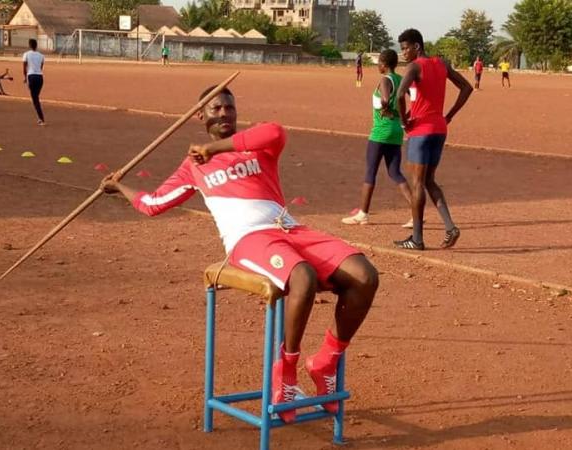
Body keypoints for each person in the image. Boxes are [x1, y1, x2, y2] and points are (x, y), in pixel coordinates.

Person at [100, 86, 379, 424]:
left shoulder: (256, 144)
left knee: (365, 275)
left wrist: (212, 148)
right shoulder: (192, 168)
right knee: (301, 278)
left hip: (288, 229)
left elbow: (275, 131)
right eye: (216, 109)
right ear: (200, 116)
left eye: (229, 108)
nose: (224, 114)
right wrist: (120, 188)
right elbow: (152, 205)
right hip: (248, 240)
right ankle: (286, 373)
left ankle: (325, 361)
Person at [393, 28, 473, 250]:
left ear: (417, 46)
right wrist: (449, 115)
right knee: (429, 181)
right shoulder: (442, 64)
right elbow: (466, 87)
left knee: (417, 183)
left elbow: (400, 94)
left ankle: (417, 238)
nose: (404, 54)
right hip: (439, 128)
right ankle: (450, 227)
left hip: (420, 131)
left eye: (406, 48)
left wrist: (403, 122)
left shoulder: (415, 66)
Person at [342, 49, 415, 229]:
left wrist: (386, 106)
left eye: (378, 63)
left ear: (383, 64)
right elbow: (415, 99)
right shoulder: (400, 79)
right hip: (397, 130)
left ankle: (363, 214)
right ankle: (416, 213)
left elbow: (384, 98)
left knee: (370, 172)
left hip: (381, 131)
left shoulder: (385, 79)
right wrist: (403, 116)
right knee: (395, 173)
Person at [22, 39, 45, 125]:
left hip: (31, 77)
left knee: (35, 98)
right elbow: (41, 67)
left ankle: (41, 119)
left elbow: (24, 68)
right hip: (40, 77)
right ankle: (40, 117)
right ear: (36, 45)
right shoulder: (41, 55)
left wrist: (25, 77)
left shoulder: (26, 54)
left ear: (29, 45)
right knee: (36, 97)